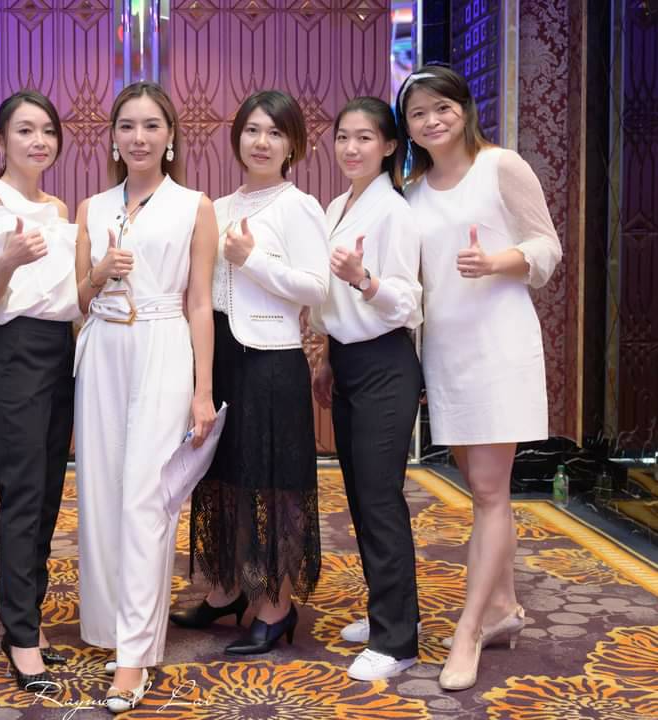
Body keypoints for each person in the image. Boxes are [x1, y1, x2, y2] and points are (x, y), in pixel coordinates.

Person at [396, 65, 562, 691]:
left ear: (464, 109)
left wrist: (497, 260)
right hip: (447, 353)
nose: (432, 120)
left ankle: (467, 632)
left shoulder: (501, 166)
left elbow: (547, 247)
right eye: (417, 113)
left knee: (491, 492)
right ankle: (503, 608)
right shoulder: (413, 191)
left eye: (442, 107)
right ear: (407, 127)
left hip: (498, 347)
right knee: (480, 490)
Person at [74, 81, 218, 713]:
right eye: (128, 126)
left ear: (171, 136)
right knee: (102, 495)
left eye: (152, 125)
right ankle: (111, 626)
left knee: (145, 497)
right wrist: (98, 273)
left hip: (163, 345)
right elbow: (77, 300)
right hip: (103, 348)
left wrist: (203, 392)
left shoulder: (194, 206)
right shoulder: (91, 207)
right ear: (112, 137)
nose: (139, 137)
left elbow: (199, 304)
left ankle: (133, 655)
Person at [169, 90, 328, 657]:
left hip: (271, 360)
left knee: (272, 483)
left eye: (275, 133)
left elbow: (317, 287)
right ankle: (228, 589)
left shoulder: (299, 207)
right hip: (223, 358)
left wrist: (252, 261)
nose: (262, 142)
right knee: (224, 477)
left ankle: (277, 605)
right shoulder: (216, 206)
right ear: (236, 137)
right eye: (253, 130)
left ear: (293, 145)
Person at [0, 90, 78, 695]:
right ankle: (20, 634)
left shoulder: (58, 207)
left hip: (62, 352)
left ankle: (27, 621)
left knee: (50, 494)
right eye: (25, 130)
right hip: (16, 352)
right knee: (23, 496)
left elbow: (67, 294)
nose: (39, 141)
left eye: (47, 131)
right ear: (1, 139)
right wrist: (7, 259)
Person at [309, 96, 423, 681]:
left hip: (385, 364)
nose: (351, 148)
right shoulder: (338, 205)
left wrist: (364, 279)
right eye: (343, 137)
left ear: (388, 146)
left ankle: (398, 640)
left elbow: (407, 303)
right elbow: (333, 304)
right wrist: (328, 358)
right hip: (349, 361)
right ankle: (388, 609)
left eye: (365, 138)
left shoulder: (393, 211)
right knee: (359, 495)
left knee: (380, 499)